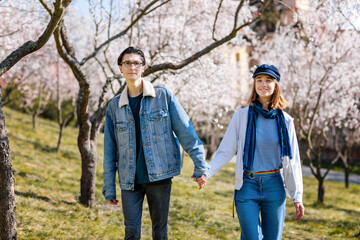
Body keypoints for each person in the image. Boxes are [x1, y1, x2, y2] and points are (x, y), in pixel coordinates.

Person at [102, 46, 209, 240]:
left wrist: (200, 165)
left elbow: (186, 132)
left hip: (159, 177)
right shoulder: (114, 106)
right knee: (132, 232)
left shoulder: (163, 96)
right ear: (120, 68)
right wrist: (109, 186)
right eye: (127, 63)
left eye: (137, 63)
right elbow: (110, 151)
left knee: (160, 233)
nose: (132, 67)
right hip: (129, 180)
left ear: (143, 68)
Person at [195, 64, 305, 239]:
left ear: (276, 85)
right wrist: (207, 172)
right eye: (259, 80)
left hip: (274, 186)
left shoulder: (286, 121)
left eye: (268, 80)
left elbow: (293, 161)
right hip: (247, 185)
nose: (263, 84)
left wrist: (297, 196)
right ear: (254, 84)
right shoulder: (242, 117)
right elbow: (226, 151)